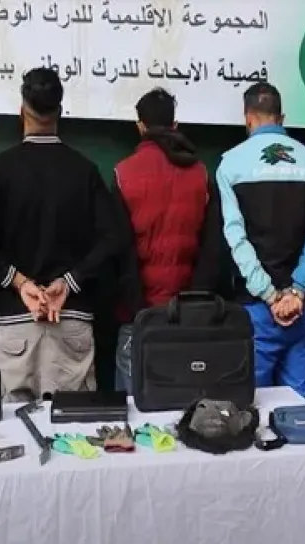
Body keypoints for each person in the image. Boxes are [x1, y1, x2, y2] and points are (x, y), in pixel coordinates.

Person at [0, 67, 120, 400]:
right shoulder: (84, 170)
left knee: (15, 427)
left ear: (22, 110)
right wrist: (70, 282)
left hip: (15, 323)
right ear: (60, 111)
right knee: (74, 428)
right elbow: (112, 238)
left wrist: (19, 282)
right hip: (71, 319)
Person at [215, 82, 305, 401]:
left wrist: (269, 295)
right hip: (303, 308)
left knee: (251, 409)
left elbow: (236, 239)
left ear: (248, 119)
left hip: (255, 311)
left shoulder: (230, 165)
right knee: (301, 411)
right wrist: (297, 291)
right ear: (281, 118)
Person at [111, 87, 222, 393]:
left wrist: (138, 311)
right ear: (175, 125)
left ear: (140, 127)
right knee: (183, 405)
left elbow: (120, 252)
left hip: (138, 318)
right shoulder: (201, 174)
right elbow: (212, 249)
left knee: (133, 412)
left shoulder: (123, 174)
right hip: (189, 317)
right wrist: (195, 304)